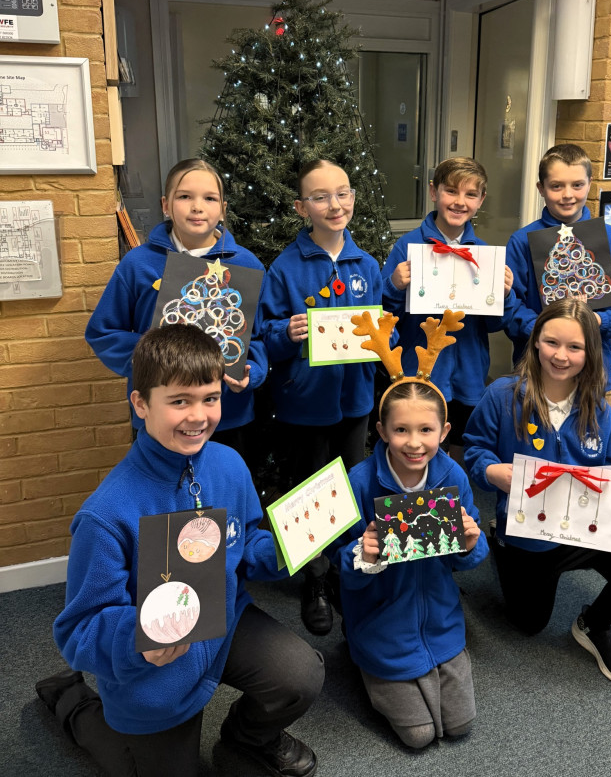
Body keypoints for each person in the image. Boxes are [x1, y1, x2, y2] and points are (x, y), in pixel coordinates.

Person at [36, 324, 323, 777]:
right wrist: (141, 640)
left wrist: (288, 548)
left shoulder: (228, 463)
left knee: (301, 673)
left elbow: (247, 543)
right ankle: (71, 701)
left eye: (210, 398)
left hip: (224, 625)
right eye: (179, 401)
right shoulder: (106, 515)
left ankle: (247, 740)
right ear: (141, 403)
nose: (199, 415)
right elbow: (77, 631)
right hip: (153, 673)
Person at [464, 300, 611, 687]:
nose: (561, 355)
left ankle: (593, 625)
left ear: (590, 353)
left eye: (575, 347)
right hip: (529, 534)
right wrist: (491, 470)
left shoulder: (599, 409)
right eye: (552, 342)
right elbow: (474, 449)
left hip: (587, 531)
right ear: (535, 341)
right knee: (529, 624)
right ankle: (499, 541)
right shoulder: (502, 396)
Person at [331, 309, 488, 748]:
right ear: (381, 430)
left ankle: (430, 660)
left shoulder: (452, 476)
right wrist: (362, 554)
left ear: (445, 430)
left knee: (459, 725)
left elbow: (470, 555)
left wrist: (471, 544)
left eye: (426, 429)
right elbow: (339, 561)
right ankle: (360, 655)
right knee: (419, 735)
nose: (414, 442)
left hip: (440, 617)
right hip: (380, 621)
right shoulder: (359, 482)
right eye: (401, 429)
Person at [257, 158, 382, 636]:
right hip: (303, 405)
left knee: (351, 487)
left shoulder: (366, 264)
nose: (335, 204)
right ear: (301, 206)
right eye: (321, 196)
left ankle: (346, 572)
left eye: (343, 192)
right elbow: (263, 337)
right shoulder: (285, 267)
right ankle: (314, 579)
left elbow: (377, 328)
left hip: (354, 403)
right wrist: (284, 333)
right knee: (308, 493)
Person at [85, 158, 267, 466]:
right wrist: (153, 357)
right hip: (160, 415)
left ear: (222, 208)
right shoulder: (138, 264)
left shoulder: (247, 265)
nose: (197, 207)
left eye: (209, 198)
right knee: (163, 500)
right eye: (185, 196)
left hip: (226, 416)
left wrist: (252, 372)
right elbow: (102, 333)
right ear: (166, 205)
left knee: (222, 495)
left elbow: (257, 338)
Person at [381, 157, 517, 458]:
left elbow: (495, 325)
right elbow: (387, 317)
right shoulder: (407, 247)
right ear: (434, 192)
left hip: (469, 372)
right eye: (451, 191)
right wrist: (394, 285)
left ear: (481, 200)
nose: (459, 202)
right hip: (422, 370)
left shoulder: (484, 253)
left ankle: (452, 502)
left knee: (459, 445)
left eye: (470, 194)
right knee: (420, 445)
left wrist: (504, 295)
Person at [504, 144, 611, 391]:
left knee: (588, 428)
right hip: (536, 371)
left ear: (589, 184)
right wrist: (540, 329)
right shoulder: (521, 241)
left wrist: (601, 320)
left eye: (577, 185)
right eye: (556, 186)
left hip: (592, 369)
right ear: (541, 188)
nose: (567, 195)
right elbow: (509, 303)